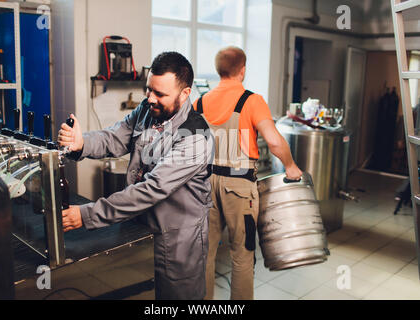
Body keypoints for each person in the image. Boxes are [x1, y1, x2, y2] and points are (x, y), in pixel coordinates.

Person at [58, 52, 214, 300]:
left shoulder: (195, 137)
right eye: (148, 90)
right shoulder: (147, 110)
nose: (151, 98)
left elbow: (151, 189)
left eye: (160, 94)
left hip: (176, 240)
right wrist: (81, 143)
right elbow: (114, 137)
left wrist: (87, 214)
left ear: (185, 94)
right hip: (139, 228)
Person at [193, 46, 302, 300]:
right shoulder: (252, 100)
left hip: (203, 184)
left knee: (204, 254)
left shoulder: (199, 102)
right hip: (239, 188)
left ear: (219, 70)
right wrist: (290, 166)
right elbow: (274, 141)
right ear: (242, 71)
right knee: (242, 254)